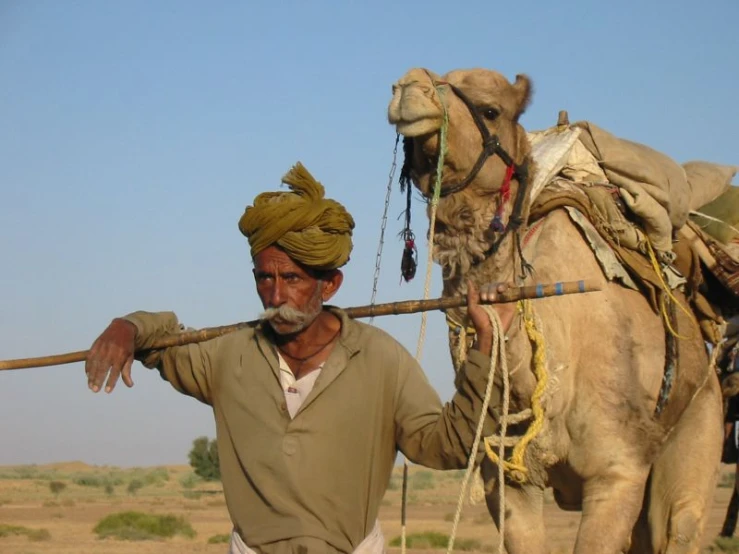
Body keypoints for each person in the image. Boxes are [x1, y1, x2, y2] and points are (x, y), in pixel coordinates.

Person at [85, 162, 516, 554]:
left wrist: (486, 342)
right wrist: (128, 326)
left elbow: (450, 445)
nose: (275, 296)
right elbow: (162, 342)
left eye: (291, 278)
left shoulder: (381, 358)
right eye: (264, 278)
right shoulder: (227, 356)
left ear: (329, 286)